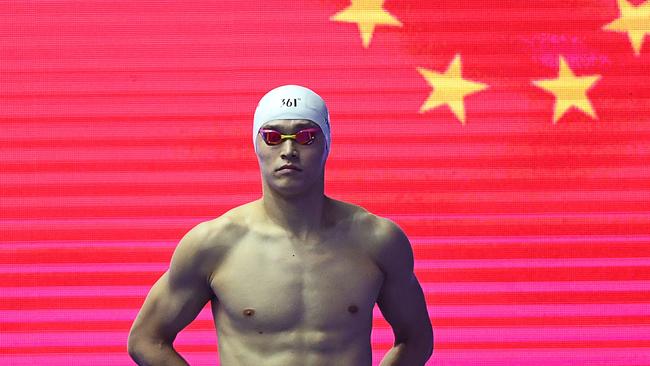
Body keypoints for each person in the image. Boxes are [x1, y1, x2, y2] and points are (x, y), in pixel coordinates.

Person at [127, 85, 433, 365]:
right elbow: (146, 339)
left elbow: (417, 339)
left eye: (305, 136)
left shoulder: (377, 240)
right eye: (273, 137)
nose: (289, 150)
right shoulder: (214, 244)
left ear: (327, 144)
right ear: (256, 146)